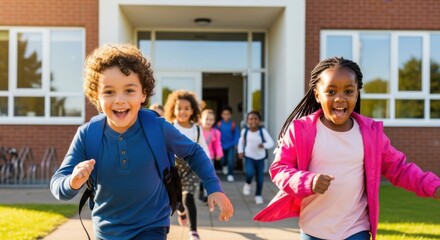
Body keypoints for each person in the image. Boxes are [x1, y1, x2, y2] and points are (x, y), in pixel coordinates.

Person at [50, 43, 233, 240]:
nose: (119, 100)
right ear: (96, 96)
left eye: (129, 90)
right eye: (109, 92)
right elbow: (58, 185)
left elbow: (194, 153)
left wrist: (214, 188)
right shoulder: (88, 134)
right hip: (107, 231)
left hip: (152, 226)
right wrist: (73, 181)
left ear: (143, 94)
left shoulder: (158, 128)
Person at [253, 56, 440, 240]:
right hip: (314, 229)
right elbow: (279, 169)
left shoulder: (370, 134)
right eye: (331, 92)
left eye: (348, 92)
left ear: (357, 94)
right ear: (317, 95)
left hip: (355, 229)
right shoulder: (301, 130)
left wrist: (434, 187)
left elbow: (399, 168)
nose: (340, 98)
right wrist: (308, 181)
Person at [163, 90, 213, 240]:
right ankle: (181, 211)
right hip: (174, 168)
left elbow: (204, 150)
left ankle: (193, 231)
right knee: (176, 198)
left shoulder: (196, 129)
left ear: (192, 110)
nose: (183, 112)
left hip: (191, 168)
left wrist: (209, 170)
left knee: (188, 197)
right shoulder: (169, 127)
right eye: (179, 108)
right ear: (173, 109)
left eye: (186, 108)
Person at [237, 111, 274, 205]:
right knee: (249, 173)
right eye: (250, 119)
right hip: (249, 156)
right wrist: (240, 151)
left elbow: (271, 143)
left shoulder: (262, 131)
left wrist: (264, 145)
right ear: (247, 121)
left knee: (260, 178)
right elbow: (241, 142)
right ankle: (248, 183)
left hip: (260, 158)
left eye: (255, 119)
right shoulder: (245, 131)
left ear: (259, 121)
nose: (253, 121)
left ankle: (258, 195)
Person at [199, 109, 224, 202]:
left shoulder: (215, 132)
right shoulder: (198, 130)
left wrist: (219, 153)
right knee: (200, 178)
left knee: (208, 176)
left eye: (211, 120)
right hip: (197, 158)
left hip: (210, 158)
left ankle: (206, 194)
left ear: (214, 121)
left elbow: (217, 144)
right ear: (201, 119)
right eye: (206, 119)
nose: (209, 121)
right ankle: (201, 188)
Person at [216, 106, 240, 182]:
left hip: (230, 145)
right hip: (221, 145)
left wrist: (235, 143)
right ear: (221, 115)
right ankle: (224, 166)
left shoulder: (233, 124)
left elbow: (236, 135)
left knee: (230, 160)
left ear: (230, 115)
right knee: (222, 160)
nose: (226, 116)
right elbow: (215, 135)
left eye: (228, 114)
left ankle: (230, 174)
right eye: (224, 114)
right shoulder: (219, 124)